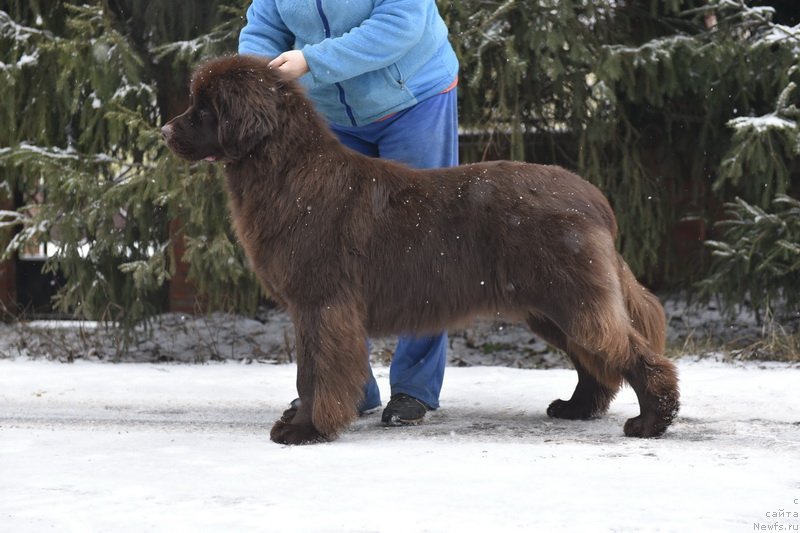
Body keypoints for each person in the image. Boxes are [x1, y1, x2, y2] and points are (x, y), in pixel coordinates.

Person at [239, 0, 459, 426]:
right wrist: (256, 74)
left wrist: (312, 60)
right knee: (331, 259)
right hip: (332, 115)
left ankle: (415, 387)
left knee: (424, 243)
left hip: (413, 97)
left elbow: (402, 23)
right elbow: (263, 27)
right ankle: (348, 388)